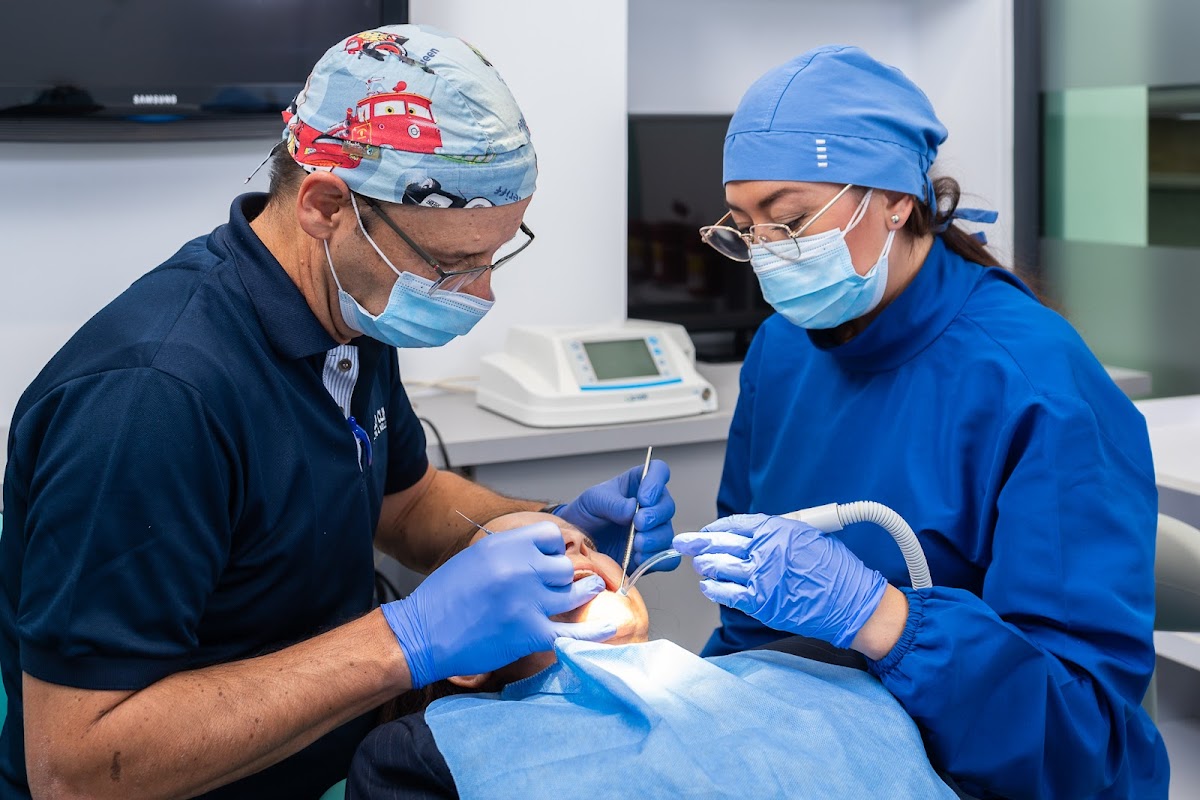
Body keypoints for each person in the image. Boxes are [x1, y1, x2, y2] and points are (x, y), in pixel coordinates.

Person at [0, 24, 676, 799]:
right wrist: (405, 640)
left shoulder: (348, 313)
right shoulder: (150, 401)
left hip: (340, 762)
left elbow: (408, 499)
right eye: (451, 265)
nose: (480, 295)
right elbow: (76, 769)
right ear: (326, 204)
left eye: (493, 256)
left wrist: (540, 528)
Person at [670, 45, 1169, 799]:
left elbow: (1082, 740)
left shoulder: (1037, 386)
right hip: (814, 734)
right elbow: (750, 625)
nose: (769, 255)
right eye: (745, 228)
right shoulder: (782, 349)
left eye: (792, 220)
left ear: (897, 199)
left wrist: (885, 620)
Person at [346, 512, 957, 800]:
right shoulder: (421, 758)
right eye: (542, 556)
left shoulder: (797, 665)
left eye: (587, 546)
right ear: (467, 658)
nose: (580, 554)